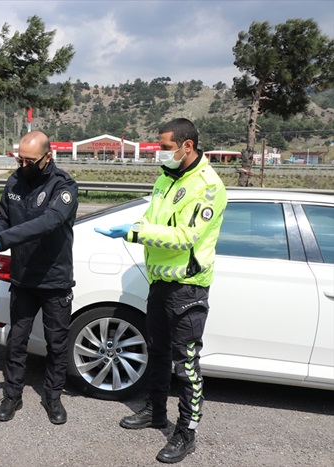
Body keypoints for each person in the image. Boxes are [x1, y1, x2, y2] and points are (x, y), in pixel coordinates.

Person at [95, 118, 227, 464]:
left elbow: (185, 236)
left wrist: (134, 233)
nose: (159, 153)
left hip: (188, 287)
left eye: (165, 148)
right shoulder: (165, 179)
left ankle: (186, 432)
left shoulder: (209, 187)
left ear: (187, 146)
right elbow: (154, 221)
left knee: (186, 365)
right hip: (159, 282)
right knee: (156, 352)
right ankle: (155, 411)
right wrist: (136, 226)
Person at [0, 130, 78, 425]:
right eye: (20, 158)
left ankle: (53, 397)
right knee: (16, 341)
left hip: (54, 280)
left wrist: (2, 239)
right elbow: (4, 216)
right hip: (23, 278)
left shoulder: (64, 186)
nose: (23, 164)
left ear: (48, 156)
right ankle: (12, 395)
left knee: (56, 344)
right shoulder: (14, 181)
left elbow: (49, 222)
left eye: (30, 160)